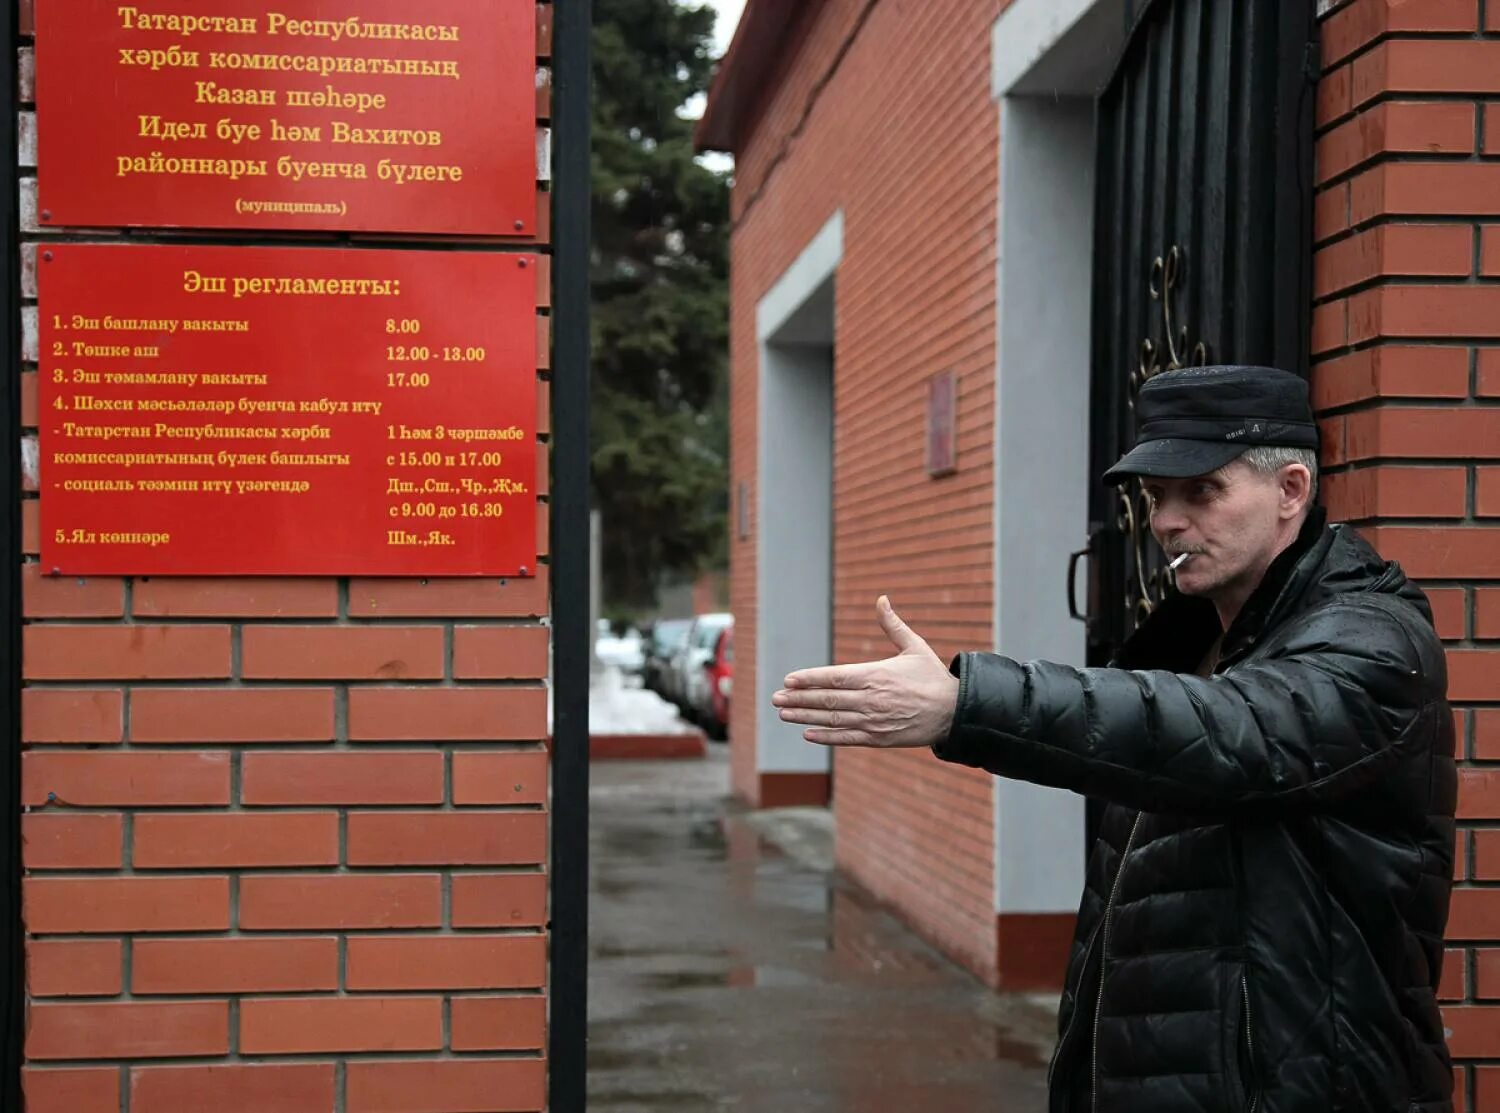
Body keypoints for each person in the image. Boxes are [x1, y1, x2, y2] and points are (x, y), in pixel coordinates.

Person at [772, 365, 1456, 1113]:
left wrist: (967, 703)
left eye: (1202, 490)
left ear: (1292, 490)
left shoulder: (1374, 642)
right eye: (1158, 495)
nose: (1166, 519)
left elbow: (1235, 732)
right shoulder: (1195, 642)